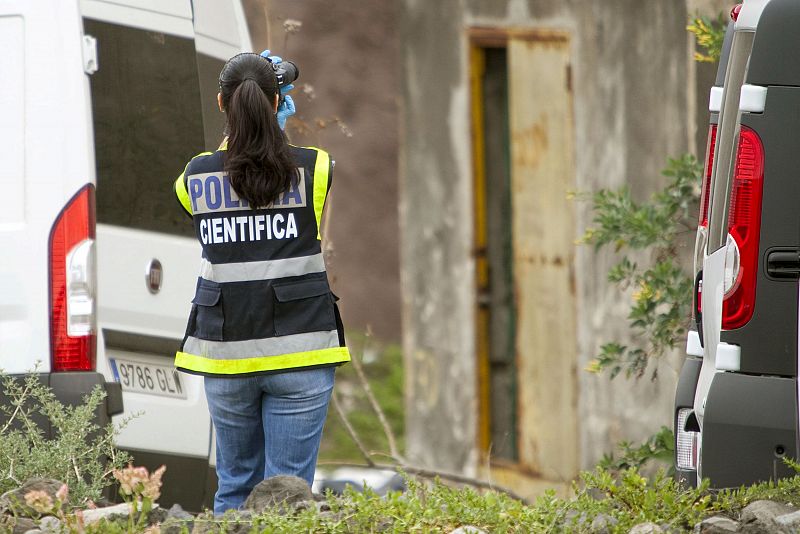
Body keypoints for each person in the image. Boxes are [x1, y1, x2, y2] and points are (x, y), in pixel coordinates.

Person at [171, 51, 350, 515]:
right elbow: (276, 178)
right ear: (278, 103)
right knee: (286, 498)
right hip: (303, 353)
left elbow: (232, 181)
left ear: (220, 104)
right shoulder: (316, 168)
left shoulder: (193, 176)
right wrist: (279, 130)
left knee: (233, 489)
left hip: (228, 357)